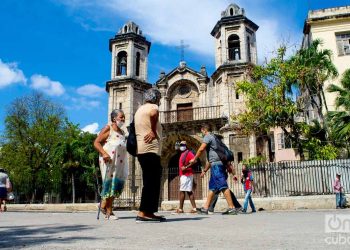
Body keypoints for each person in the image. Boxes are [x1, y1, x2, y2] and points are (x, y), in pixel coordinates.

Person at [190, 124, 236, 215]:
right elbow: (212, 159)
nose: (202, 133)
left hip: (217, 166)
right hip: (217, 164)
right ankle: (205, 208)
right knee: (212, 187)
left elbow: (201, 149)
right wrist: (205, 170)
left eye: (202, 131)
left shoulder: (208, 136)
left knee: (223, 185)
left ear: (204, 130)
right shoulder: (215, 138)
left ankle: (232, 208)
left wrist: (194, 159)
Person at [135, 88, 165, 223]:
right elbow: (154, 114)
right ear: (155, 98)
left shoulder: (139, 110)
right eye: (159, 98)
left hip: (142, 150)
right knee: (151, 182)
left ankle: (148, 212)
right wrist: (153, 131)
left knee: (150, 181)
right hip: (150, 149)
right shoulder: (152, 107)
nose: (159, 101)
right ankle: (143, 213)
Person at [94, 109, 128, 220]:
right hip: (108, 161)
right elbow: (96, 142)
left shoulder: (122, 132)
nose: (123, 119)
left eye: (123, 117)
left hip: (119, 162)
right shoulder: (108, 128)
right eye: (121, 117)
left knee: (116, 185)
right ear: (114, 118)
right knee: (109, 184)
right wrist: (104, 153)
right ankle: (109, 212)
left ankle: (104, 205)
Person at [175, 141, 198, 214]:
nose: (181, 146)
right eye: (180, 145)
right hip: (185, 175)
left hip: (186, 175)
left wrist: (186, 166)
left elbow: (195, 160)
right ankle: (194, 208)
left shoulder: (188, 153)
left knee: (182, 191)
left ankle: (181, 209)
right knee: (189, 191)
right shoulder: (183, 154)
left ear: (185, 145)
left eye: (183, 145)